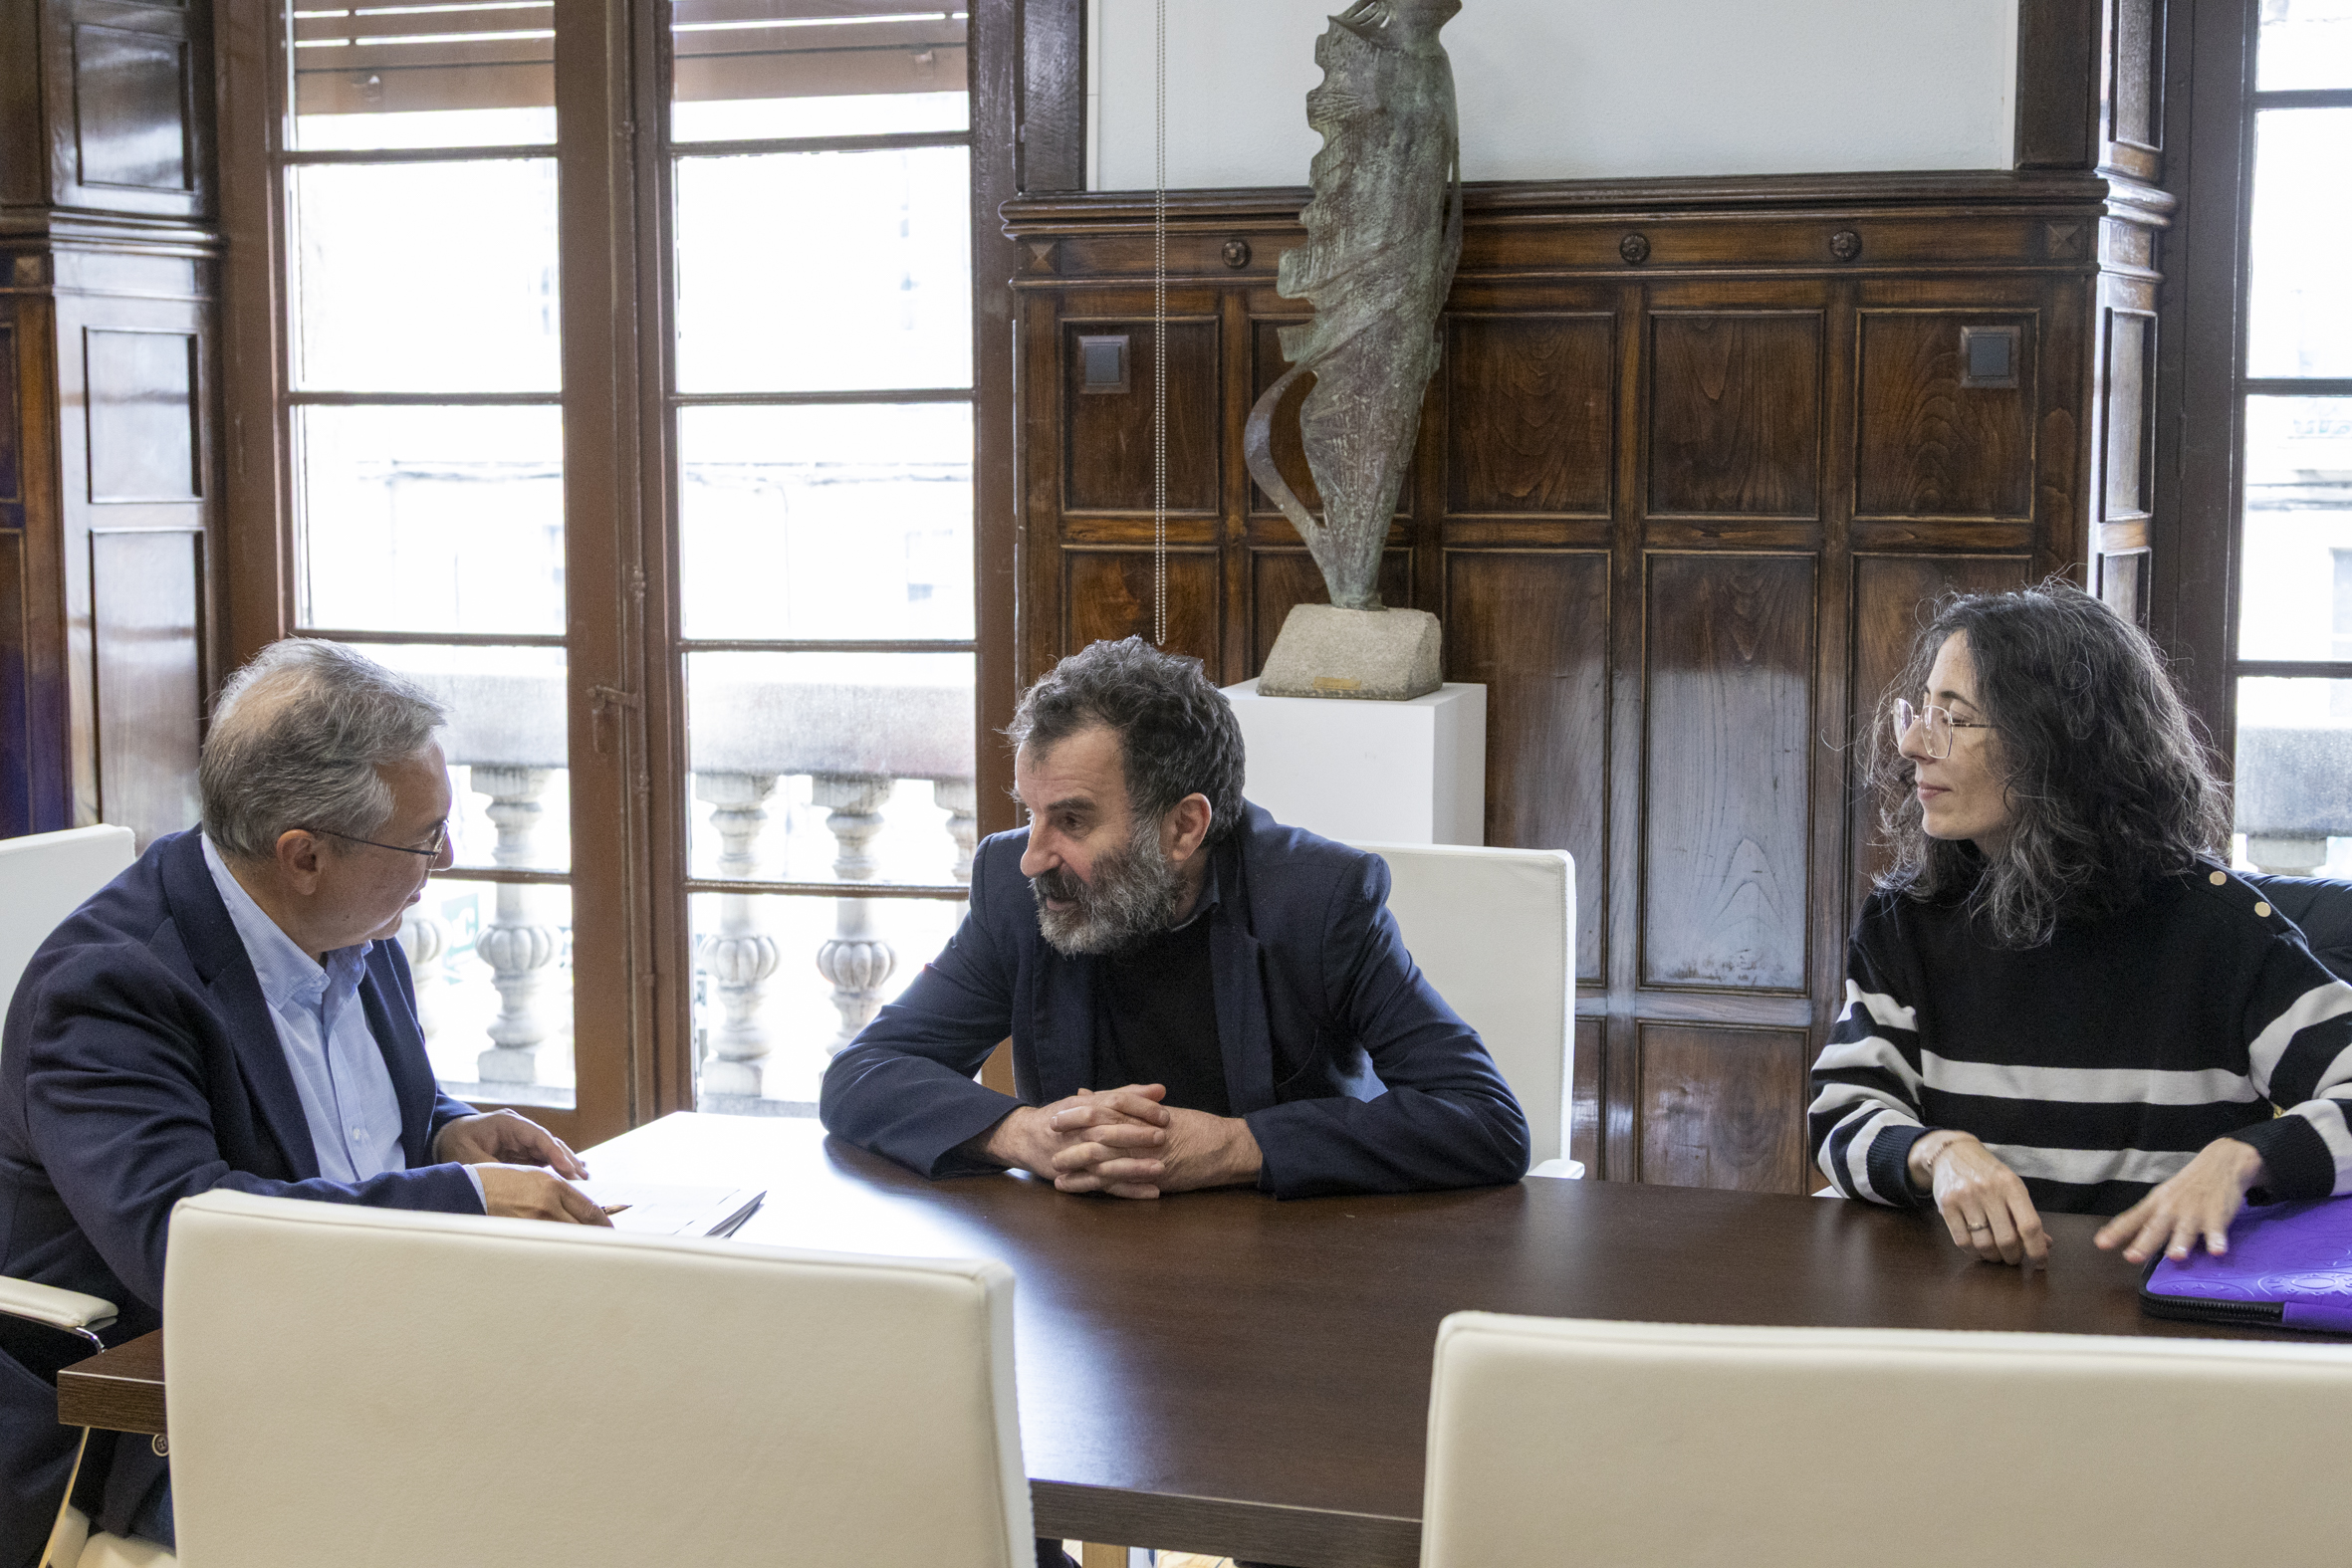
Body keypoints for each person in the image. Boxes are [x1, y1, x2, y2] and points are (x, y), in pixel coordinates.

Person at [0, 640, 607, 1567]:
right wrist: (468, 1199)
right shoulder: (108, 991)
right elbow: (187, 1239)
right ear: (305, 854)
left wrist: (444, 1126)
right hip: (159, 1413)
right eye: (423, 835)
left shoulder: (356, 925)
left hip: (355, 1347)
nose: (445, 855)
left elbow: (326, 1109)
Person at [821, 636, 1529, 1203]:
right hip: (1083, 1287)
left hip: (1296, 1284)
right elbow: (863, 1074)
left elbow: (1485, 1119)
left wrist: (1234, 1145)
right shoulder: (1018, 891)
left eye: (1070, 819)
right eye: (1031, 813)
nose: (1035, 856)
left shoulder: (1321, 901)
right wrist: (1020, 1133)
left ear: (1185, 827)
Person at [1809, 583, 2352, 1269]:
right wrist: (1934, 1152)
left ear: (2059, 744)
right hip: (1953, 1312)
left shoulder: (2221, 928)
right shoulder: (1907, 917)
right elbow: (1841, 1111)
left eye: (1956, 717)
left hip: (2145, 1318)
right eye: (1921, 711)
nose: (1915, 743)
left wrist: (2244, 1157)